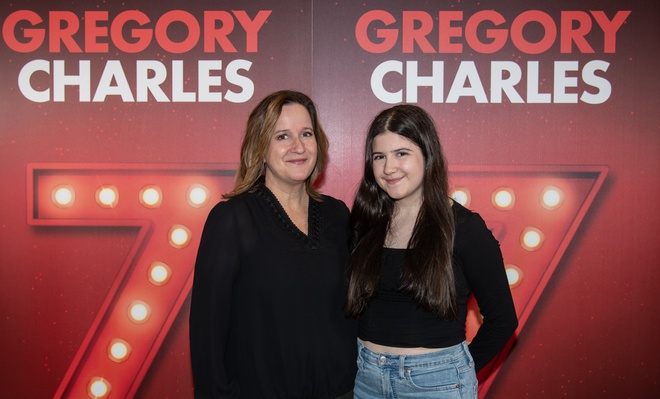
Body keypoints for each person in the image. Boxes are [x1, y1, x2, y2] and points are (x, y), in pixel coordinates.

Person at [189, 90, 357, 398]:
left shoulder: (338, 215)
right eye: (282, 136)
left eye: (306, 134)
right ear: (260, 149)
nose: (298, 147)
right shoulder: (233, 219)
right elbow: (207, 335)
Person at [345, 104, 518, 399]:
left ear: (428, 155)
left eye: (402, 153)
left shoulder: (464, 227)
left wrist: (451, 373)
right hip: (367, 380)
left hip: (436, 385)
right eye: (379, 157)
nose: (389, 168)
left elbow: (503, 320)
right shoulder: (366, 222)